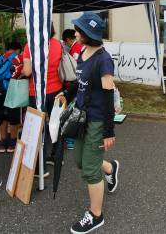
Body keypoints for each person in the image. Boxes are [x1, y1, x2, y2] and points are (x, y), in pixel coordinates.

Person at [56, 12, 118, 234]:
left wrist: (108, 132)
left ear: (88, 34)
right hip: (81, 117)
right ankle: (110, 168)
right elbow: (81, 82)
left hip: (97, 122)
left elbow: (109, 96)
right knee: (81, 161)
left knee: (90, 170)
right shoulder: (82, 51)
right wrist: (67, 92)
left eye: (79, 30)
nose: (75, 33)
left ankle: (95, 215)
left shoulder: (104, 59)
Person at [22, 23, 64, 175]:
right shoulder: (59, 44)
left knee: (39, 129)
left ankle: (41, 168)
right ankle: (56, 158)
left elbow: (27, 72)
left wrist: (20, 68)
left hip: (37, 92)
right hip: (57, 91)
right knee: (57, 125)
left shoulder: (30, 45)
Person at [0, 41, 23, 153]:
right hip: (13, 90)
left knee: (2, 117)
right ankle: (13, 143)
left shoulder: (0, 58)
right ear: (18, 50)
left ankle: (3, 143)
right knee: (14, 117)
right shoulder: (19, 58)